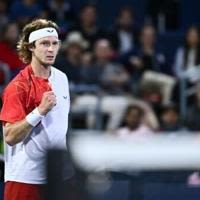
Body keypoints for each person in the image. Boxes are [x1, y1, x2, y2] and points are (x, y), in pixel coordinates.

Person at [0, 19, 77, 200]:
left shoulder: (62, 78)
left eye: (54, 43)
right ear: (31, 47)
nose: (50, 49)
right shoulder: (17, 87)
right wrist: (39, 111)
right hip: (25, 179)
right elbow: (10, 137)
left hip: (59, 176)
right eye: (44, 43)